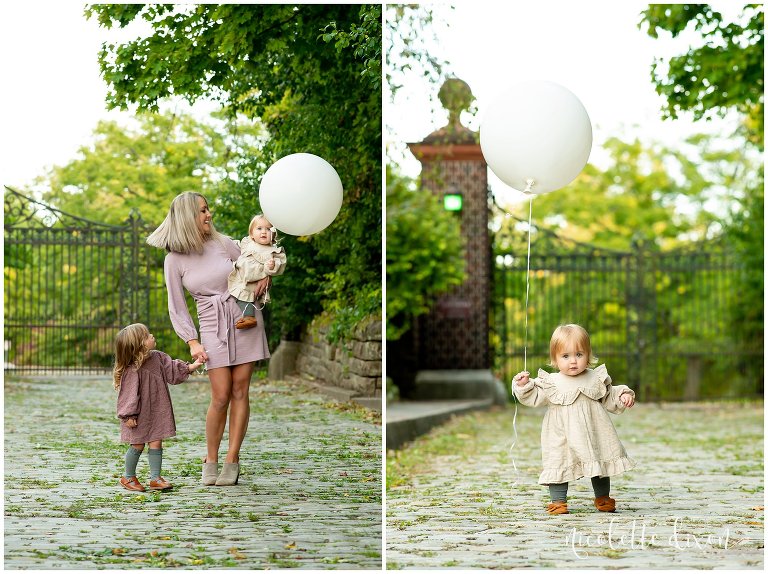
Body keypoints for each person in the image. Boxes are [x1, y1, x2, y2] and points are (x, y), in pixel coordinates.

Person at [146, 192, 271, 486]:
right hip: (212, 325)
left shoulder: (223, 243)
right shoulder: (173, 260)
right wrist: (192, 341)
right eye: (203, 210)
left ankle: (232, 458)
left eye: (208, 209)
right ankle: (211, 457)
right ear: (189, 216)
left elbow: (254, 264)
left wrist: (265, 276)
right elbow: (176, 305)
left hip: (245, 317)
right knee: (220, 395)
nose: (209, 214)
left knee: (241, 390)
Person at [513, 323, 636, 515]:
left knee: (599, 459)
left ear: (588, 355)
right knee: (559, 461)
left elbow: (609, 395)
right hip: (561, 434)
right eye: (565, 356)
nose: (573, 361)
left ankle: (603, 497)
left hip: (593, 431)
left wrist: (623, 396)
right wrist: (523, 385)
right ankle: (558, 501)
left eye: (579, 355)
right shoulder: (551, 382)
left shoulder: (595, 378)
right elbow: (533, 397)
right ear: (555, 358)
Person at [114, 323, 204, 492]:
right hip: (138, 414)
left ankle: (155, 478)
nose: (152, 336)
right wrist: (128, 415)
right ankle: (128, 476)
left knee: (156, 441)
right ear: (139, 344)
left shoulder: (158, 357)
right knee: (138, 444)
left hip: (156, 409)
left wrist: (193, 366)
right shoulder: (132, 368)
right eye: (148, 335)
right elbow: (128, 394)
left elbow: (173, 371)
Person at [227, 214, 287, 330]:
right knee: (237, 294)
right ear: (252, 234)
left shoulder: (274, 251)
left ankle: (249, 317)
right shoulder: (248, 244)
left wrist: (271, 266)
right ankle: (241, 318)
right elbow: (235, 245)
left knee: (246, 294)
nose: (264, 232)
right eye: (259, 228)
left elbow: (280, 266)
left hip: (255, 280)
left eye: (268, 229)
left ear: (274, 234)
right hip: (242, 276)